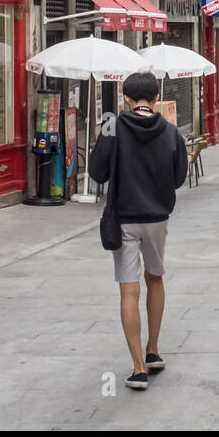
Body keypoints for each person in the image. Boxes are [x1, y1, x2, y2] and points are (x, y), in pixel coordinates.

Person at [89, 71, 188, 391]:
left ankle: (138, 368)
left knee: (128, 290)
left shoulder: (112, 127)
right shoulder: (171, 132)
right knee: (156, 278)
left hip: (125, 218)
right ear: (157, 98)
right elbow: (177, 178)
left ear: (126, 98)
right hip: (158, 218)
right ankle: (154, 350)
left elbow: (97, 172)